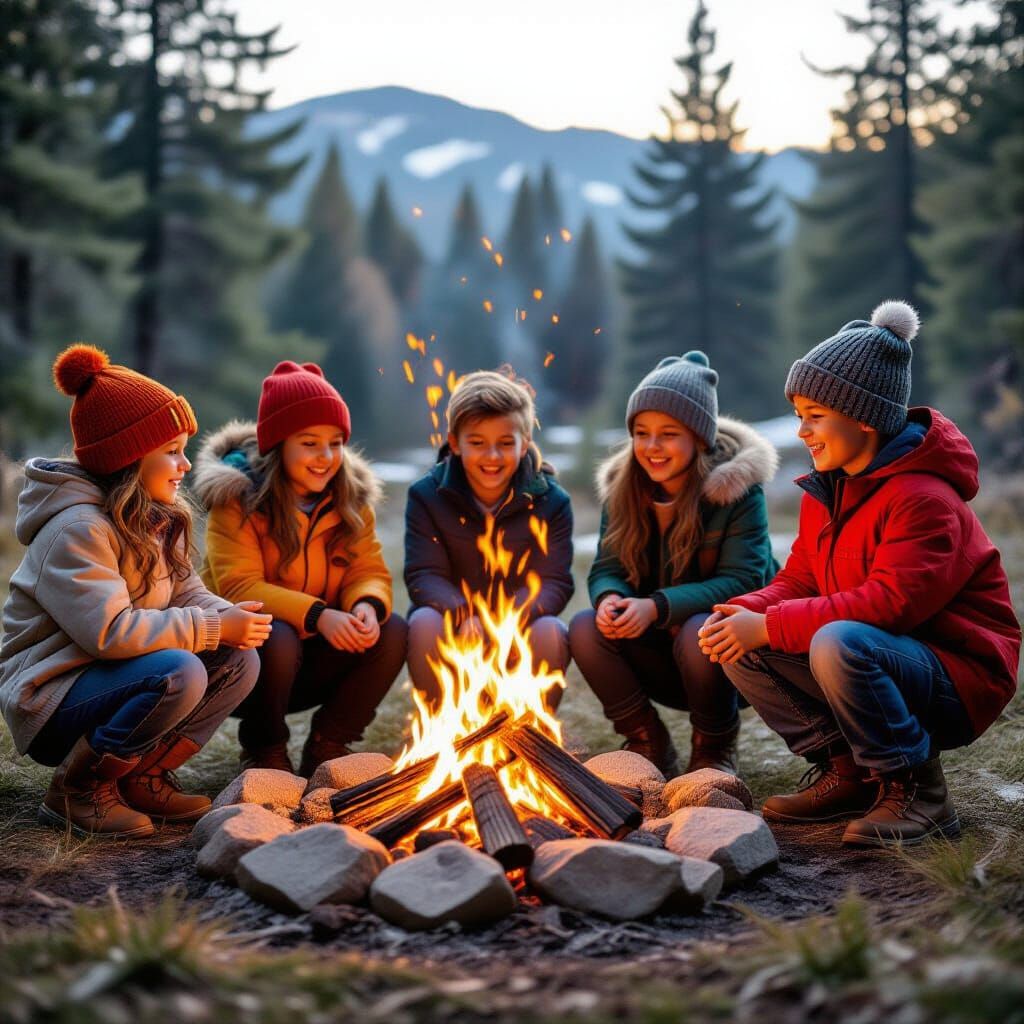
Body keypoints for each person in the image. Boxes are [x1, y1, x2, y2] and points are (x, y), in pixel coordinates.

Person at [699, 301, 1021, 845]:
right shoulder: (828, 492)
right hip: (884, 654)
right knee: (742, 641)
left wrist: (773, 625)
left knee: (838, 641)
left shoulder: (924, 499)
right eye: (798, 415)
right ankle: (848, 771)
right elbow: (799, 581)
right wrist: (749, 614)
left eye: (813, 415)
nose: (801, 431)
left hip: (959, 673)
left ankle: (919, 791)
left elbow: (889, 605)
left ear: (863, 415)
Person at [0, 344, 268, 838]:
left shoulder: (154, 517)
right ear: (127, 460)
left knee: (239, 659)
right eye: (171, 452)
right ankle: (76, 791)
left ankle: (142, 776)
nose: (185, 464)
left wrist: (229, 616)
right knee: (181, 670)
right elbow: (110, 633)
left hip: (112, 677)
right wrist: (212, 627)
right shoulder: (78, 530)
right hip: (51, 696)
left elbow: (187, 592)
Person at [570, 352, 778, 777]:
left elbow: (744, 579)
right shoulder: (624, 489)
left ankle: (715, 747)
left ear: (699, 438)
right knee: (586, 627)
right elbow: (607, 566)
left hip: (725, 658)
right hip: (657, 650)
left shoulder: (737, 493)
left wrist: (657, 606)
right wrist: (612, 598)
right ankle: (647, 741)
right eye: (641, 433)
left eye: (668, 433)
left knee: (700, 626)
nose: (651, 446)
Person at [196, 361, 406, 776]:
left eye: (334, 443)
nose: (326, 457)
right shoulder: (237, 498)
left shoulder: (349, 499)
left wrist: (365, 603)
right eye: (309, 443)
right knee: (275, 631)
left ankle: (329, 744)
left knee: (393, 629)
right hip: (245, 666)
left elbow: (368, 568)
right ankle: (264, 749)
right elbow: (240, 587)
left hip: (311, 659)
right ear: (278, 445)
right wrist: (319, 615)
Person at [403, 368, 573, 707]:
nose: (492, 457)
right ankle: (442, 725)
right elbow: (423, 575)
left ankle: (526, 729)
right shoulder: (427, 495)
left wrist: (503, 620)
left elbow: (554, 582)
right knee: (423, 623)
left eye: (506, 444)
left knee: (551, 631)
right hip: (454, 623)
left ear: (525, 443)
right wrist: (464, 612)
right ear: (454, 443)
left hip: (519, 627)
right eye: (477, 443)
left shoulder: (552, 501)